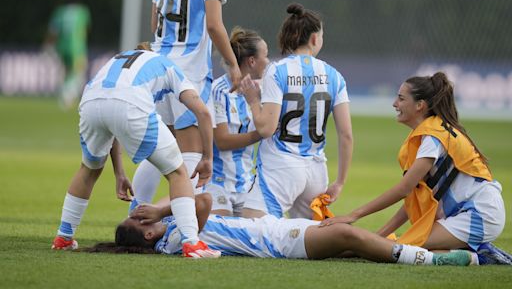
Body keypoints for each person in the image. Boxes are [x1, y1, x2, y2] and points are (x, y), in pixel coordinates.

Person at [320, 72, 511, 264]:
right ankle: (477, 254)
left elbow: (404, 189)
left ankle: (480, 258)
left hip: (480, 213)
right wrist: (379, 237)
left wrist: (354, 215)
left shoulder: (432, 137)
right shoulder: (432, 131)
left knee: (401, 251)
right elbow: (411, 199)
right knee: (398, 248)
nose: (395, 104)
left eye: (401, 99)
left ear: (420, 105)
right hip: (474, 211)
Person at [51, 48, 220, 258]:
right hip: (130, 102)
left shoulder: (122, 57)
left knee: (88, 169)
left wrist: (119, 173)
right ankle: (191, 243)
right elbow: (202, 112)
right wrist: (207, 158)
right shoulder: (171, 67)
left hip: (90, 101)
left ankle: (63, 237)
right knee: (177, 172)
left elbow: (110, 121)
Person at [130, 0, 242, 203]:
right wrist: (232, 65)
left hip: (159, 66)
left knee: (161, 152)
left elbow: (155, 25)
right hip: (188, 71)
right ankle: (185, 231)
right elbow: (214, 25)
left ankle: (133, 220)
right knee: (191, 153)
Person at [87, 193, 479, 266]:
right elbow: (203, 201)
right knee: (347, 235)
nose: (147, 217)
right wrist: (160, 207)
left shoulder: (171, 234)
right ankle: (428, 261)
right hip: (275, 242)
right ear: (150, 234)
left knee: (351, 247)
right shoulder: (174, 237)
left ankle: (449, 255)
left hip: (273, 230)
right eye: (142, 222)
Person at [239, 3, 353, 219]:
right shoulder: (334, 75)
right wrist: (339, 182)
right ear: (313, 39)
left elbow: (266, 128)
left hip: (282, 167)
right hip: (317, 171)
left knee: (250, 229)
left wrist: (253, 101)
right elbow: (346, 135)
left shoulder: (277, 70)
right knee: (313, 240)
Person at [206, 27, 268, 215]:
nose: (268, 61)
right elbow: (222, 141)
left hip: (246, 186)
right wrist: (262, 133)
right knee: (221, 236)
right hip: (218, 184)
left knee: (261, 236)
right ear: (252, 61)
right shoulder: (219, 91)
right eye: (265, 55)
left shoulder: (260, 93)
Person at [45, 2, 90, 109]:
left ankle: (64, 95)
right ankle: (68, 96)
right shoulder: (82, 12)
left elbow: (53, 31)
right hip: (77, 48)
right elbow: (85, 30)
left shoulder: (60, 12)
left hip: (62, 46)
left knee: (66, 71)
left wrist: (48, 44)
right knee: (78, 70)